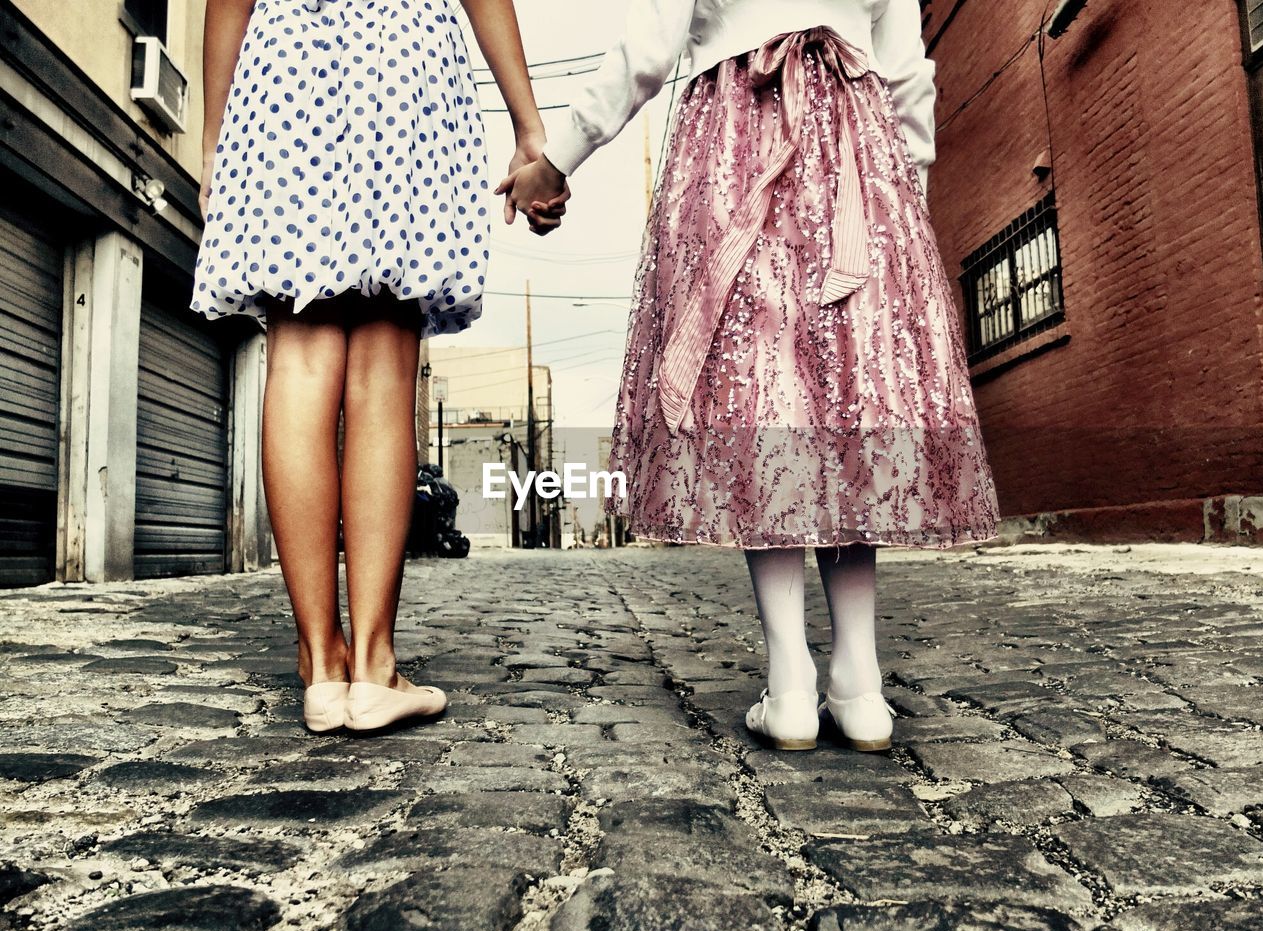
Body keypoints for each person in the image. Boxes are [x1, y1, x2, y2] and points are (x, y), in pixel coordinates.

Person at [500, 0, 1001, 751]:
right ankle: (860, 682)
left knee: (761, 397)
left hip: (733, 137)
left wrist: (554, 158)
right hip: (857, 151)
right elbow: (905, 68)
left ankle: (791, 680)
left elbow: (647, 48)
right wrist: (907, 200)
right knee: (846, 404)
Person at [192, 0, 560, 733]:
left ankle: (322, 667)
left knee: (297, 357)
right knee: (385, 366)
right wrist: (530, 130)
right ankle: (373, 664)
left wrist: (214, 140)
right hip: (405, 65)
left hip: (284, 67)